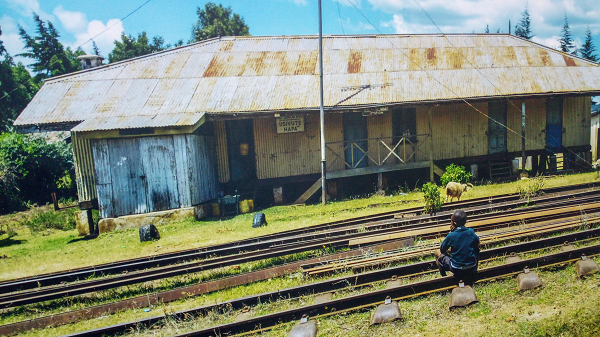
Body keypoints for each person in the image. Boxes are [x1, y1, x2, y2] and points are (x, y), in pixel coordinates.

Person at [435, 210, 480, 285]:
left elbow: (442, 249)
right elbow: (477, 243)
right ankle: (475, 270)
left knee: (437, 252)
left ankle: (443, 276)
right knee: (476, 249)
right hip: (472, 266)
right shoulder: (471, 232)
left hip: (457, 269)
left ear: (454, 223)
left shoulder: (451, 235)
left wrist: (450, 232)